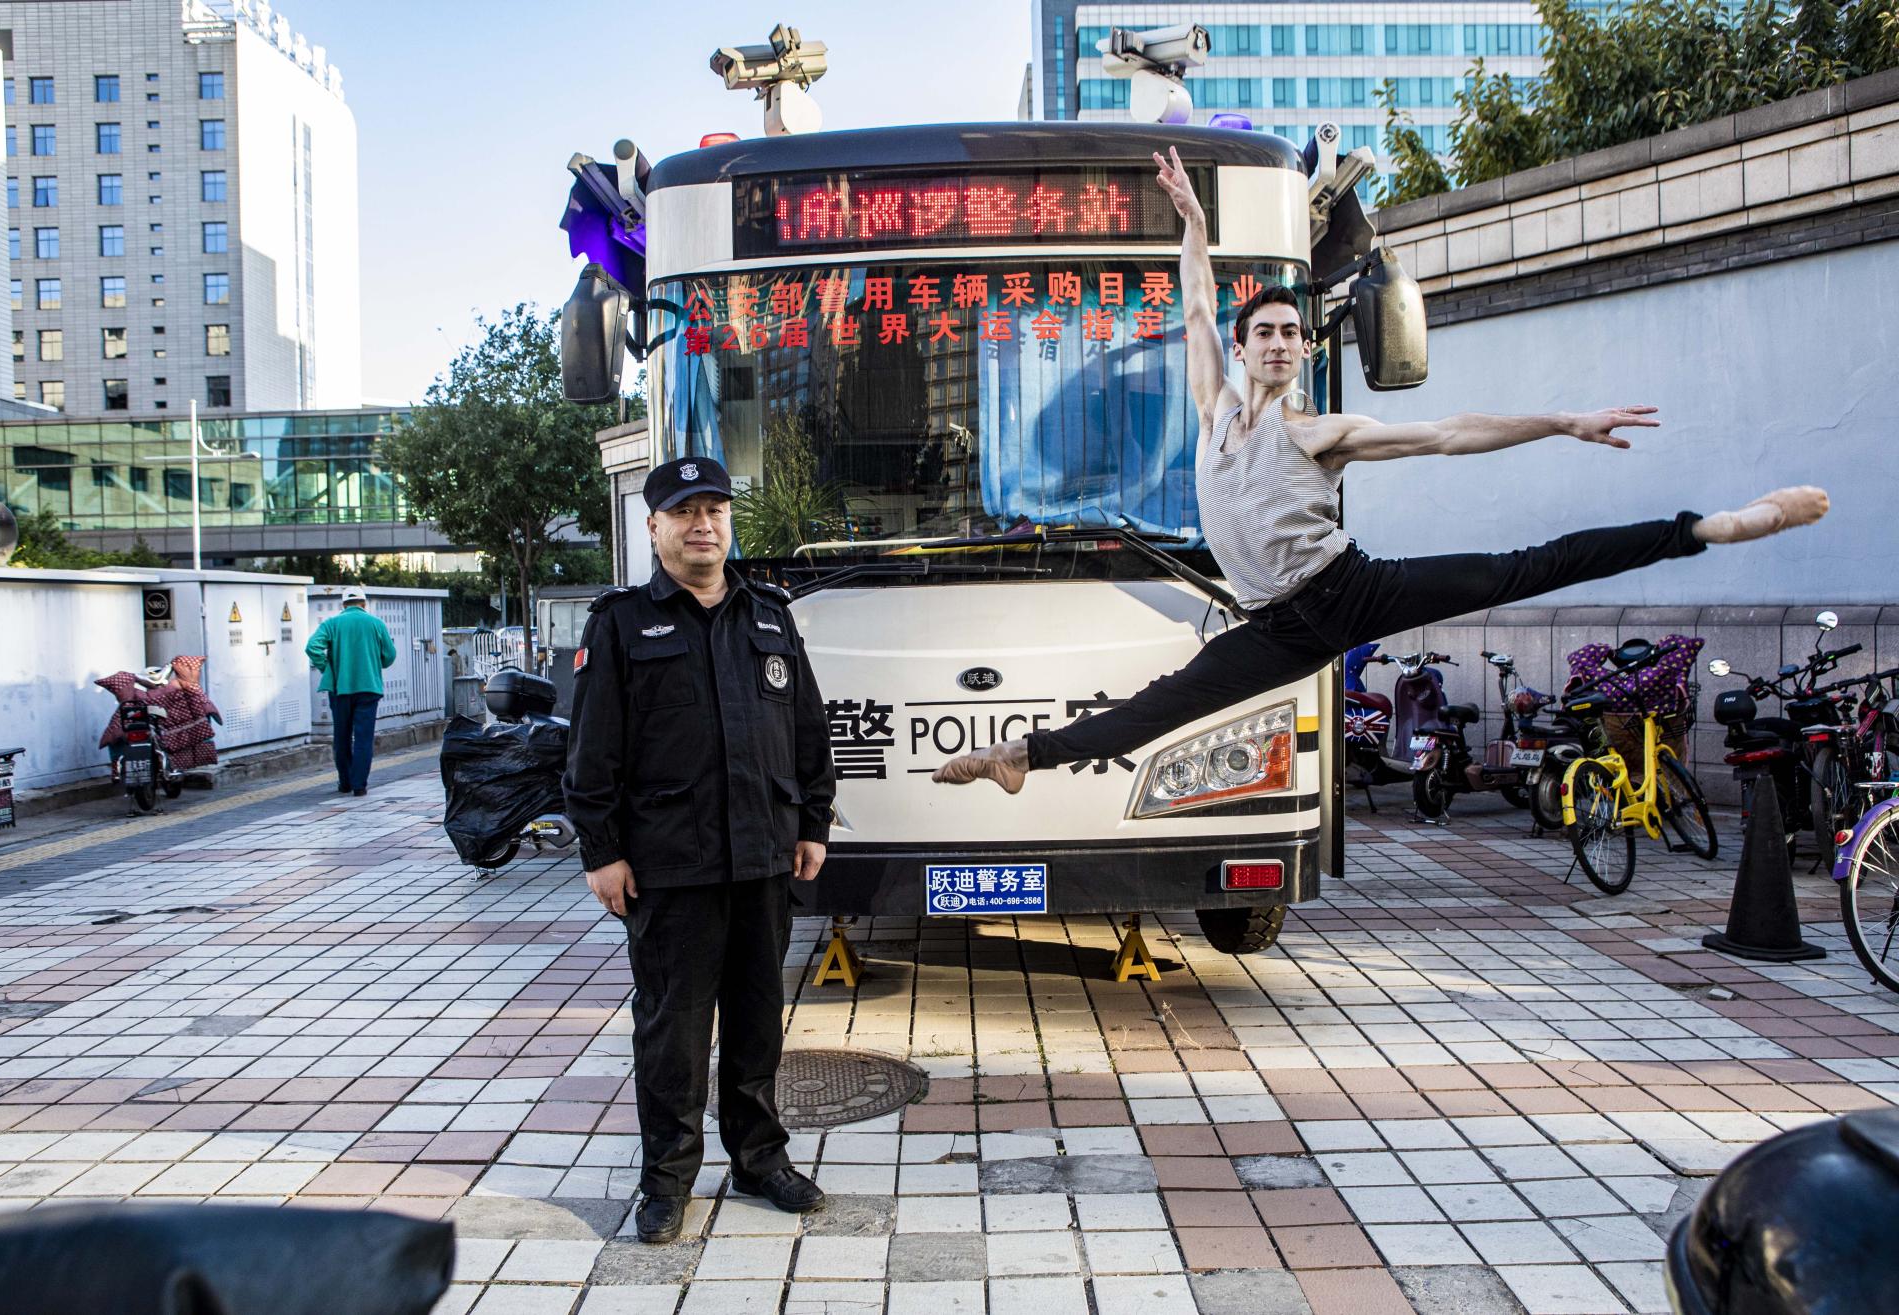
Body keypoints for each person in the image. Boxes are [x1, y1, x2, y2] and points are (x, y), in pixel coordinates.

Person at [934, 147, 1830, 793]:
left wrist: (1564, 421)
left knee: (1521, 569)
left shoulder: (1321, 431)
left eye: (1292, 332)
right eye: (1268, 333)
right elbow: (1198, 296)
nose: (1282, 342)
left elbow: (1447, 434)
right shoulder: (1212, 409)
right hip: (1277, 625)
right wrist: (1197, 223)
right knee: (1163, 704)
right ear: (1245, 349)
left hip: (1348, 592)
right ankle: (1024, 756)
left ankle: (1707, 527)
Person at [563, 456, 836, 1244]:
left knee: (757, 1025)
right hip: (669, 868)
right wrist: (601, 849)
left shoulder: (770, 615)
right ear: (653, 528)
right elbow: (591, 751)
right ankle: (667, 1180)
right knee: (673, 1033)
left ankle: (758, 1158)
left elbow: (809, 731)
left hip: (762, 859)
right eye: (684, 512)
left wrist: (813, 823)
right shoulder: (620, 623)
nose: (702, 524)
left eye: (714, 509)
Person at [305, 587, 396, 797]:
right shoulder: (376, 624)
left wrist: (326, 667)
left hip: (340, 688)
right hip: (369, 688)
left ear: (343, 605)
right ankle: (360, 785)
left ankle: (344, 782)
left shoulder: (332, 624)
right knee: (364, 738)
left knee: (342, 736)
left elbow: (312, 647)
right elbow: (389, 656)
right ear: (364, 604)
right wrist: (374, 662)